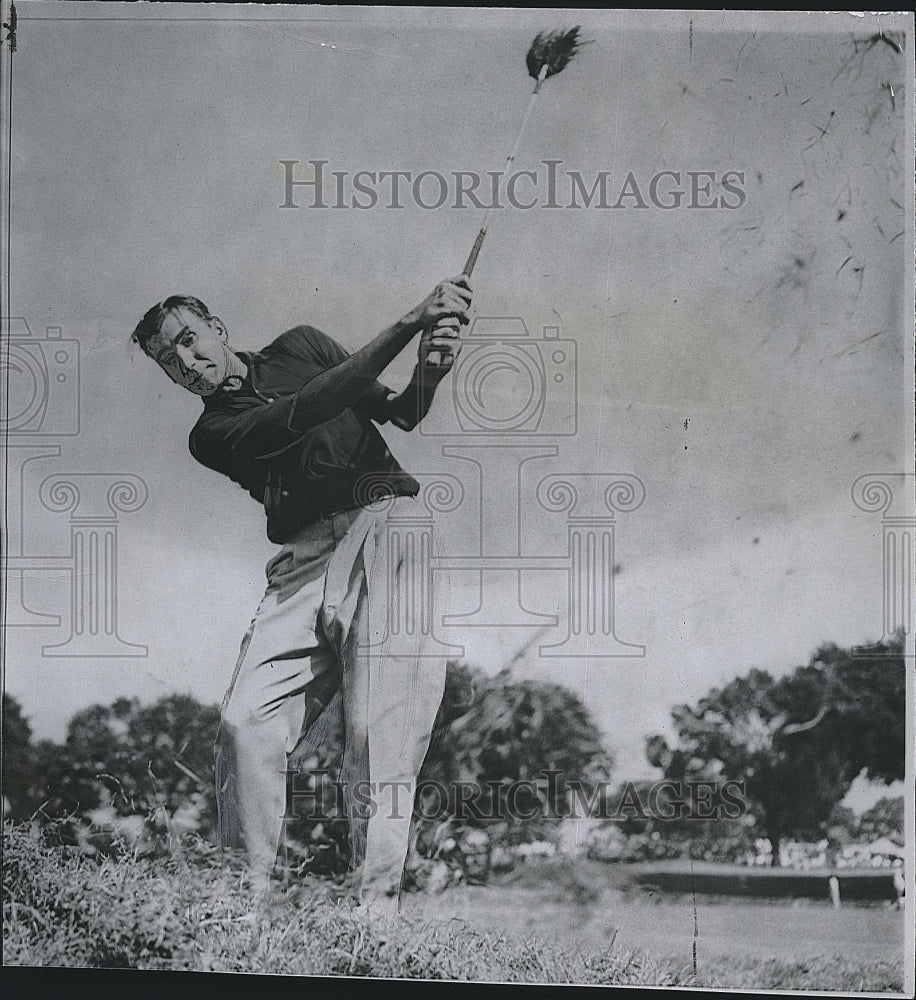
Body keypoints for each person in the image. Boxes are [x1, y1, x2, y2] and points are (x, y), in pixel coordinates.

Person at [130, 276, 472, 911]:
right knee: (245, 721)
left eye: (188, 340)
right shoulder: (213, 434)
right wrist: (408, 322)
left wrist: (432, 365)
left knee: (380, 734)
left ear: (217, 329)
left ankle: (375, 923)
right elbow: (306, 409)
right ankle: (242, 909)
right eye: (168, 362)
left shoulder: (303, 344)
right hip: (302, 561)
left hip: (388, 526)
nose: (187, 362)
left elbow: (403, 411)